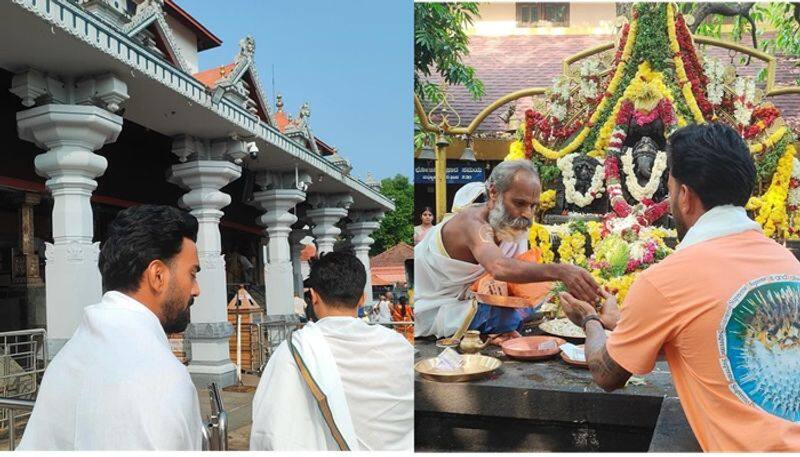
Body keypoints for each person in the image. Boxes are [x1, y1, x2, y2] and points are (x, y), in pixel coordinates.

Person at [559, 123, 800, 451]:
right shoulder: (788, 264)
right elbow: (709, 338)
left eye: (669, 189)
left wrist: (589, 320)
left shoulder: (666, 280)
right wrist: (623, 323)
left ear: (684, 196)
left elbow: (606, 374)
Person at [18, 205, 204, 450]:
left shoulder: (67, 360)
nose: (196, 289)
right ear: (158, 275)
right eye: (192, 274)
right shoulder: (162, 379)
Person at [414, 160, 601, 339]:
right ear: (494, 193)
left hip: (473, 297)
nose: (528, 214)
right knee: (509, 317)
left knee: (534, 307)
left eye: (533, 206)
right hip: (437, 307)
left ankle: (498, 328)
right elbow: (500, 267)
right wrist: (561, 271)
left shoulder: (508, 223)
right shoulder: (472, 222)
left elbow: (515, 276)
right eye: (519, 203)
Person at [250, 252, 413, 451]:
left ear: (314, 297)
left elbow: (272, 431)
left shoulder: (294, 352)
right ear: (362, 299)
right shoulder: (398, 346)